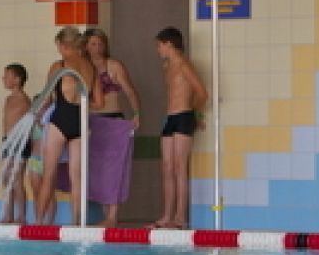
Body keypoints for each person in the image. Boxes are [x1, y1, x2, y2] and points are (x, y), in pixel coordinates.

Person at [31, 27, 97, 226]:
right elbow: (95, 99)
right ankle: (77, 223)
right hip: (81, 123)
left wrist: (35, 114)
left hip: (60, 122)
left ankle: (40, 223)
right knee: (76, 178)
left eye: (58, 46)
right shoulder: (89, 66)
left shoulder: (58, 66)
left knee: (48, 175)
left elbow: (46, 98)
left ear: (64, 45)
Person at [82, 29, 143, 228]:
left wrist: (136, 113)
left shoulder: (114, 66)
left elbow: (130, 90)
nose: (97, 48)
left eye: (100, 43)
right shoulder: (83, 67)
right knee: (96, 171)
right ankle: (106, 216)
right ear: (85, 45)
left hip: (113, 120)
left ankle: (113, 216)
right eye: (92, 43)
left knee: (114, 171)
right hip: (91, 122)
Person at [154, 26, 210, 230]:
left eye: (159, 45)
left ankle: (180, 217)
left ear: (169, 44)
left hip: (184, 117)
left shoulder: (184, 65)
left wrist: (196, 114)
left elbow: (202, 93)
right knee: (167, 168)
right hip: (170, 119)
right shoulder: (167, 67)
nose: (157, 49)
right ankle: (167, 215)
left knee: (179, 167)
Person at [0, 64, 32, 224]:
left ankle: (21, 216)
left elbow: (30, 124)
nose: (3, 79)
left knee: (17, 178)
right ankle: (8, 215)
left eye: (7, 76)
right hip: (7, 142)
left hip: (20, 142)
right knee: (6, 178)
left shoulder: (24, 100)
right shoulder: (8, 98)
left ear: (17, 80)